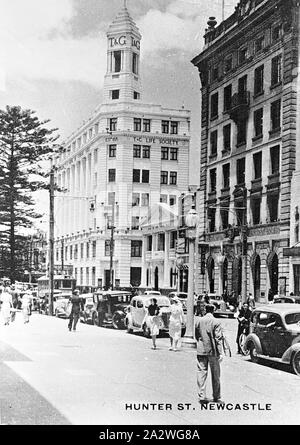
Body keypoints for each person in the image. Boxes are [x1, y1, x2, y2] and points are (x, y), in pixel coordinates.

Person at [194, 303, 224, 404]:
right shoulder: (216, 321)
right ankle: (216, 396)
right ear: (213, 310)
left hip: (201, 349)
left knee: (201, 372)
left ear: (205, 310)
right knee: (216, 374)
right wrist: (221, 352)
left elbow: (196, 334)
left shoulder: (199, 320)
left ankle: (202, 395)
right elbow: (218, 338)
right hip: (213, 351)